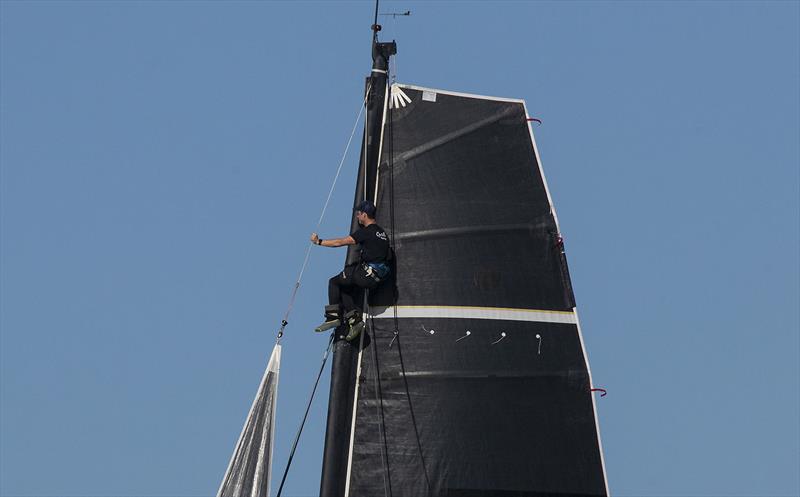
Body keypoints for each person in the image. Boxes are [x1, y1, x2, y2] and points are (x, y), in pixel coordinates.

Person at [311, 200, 390, 341]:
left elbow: (340, 242)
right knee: (345, 288)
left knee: (334, 282)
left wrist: (319, 242)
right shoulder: (382, 233)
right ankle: (354, 320)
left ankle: (333, 317)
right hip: (377, 279)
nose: (357, 217)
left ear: (365, 215)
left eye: (359, 214)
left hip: (365, 275)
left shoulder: (367, 232)